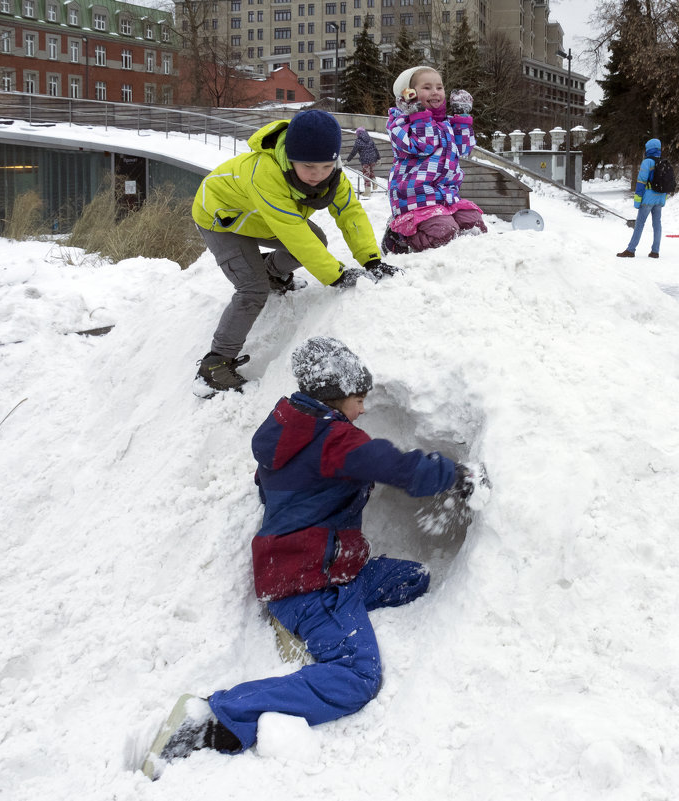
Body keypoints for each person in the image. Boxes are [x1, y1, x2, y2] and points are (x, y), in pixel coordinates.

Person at [143, 337, 489, 779]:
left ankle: (313, 624)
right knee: (356, 678)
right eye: (359, 399)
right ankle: (217, 717)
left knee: (414, 578)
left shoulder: (290, 431)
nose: (363, 409)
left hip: (322, 569)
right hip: (309, 583)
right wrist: (458, 477)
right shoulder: (333, 442)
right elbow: (394, 464)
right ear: (334, 396)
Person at [192, 109, 399, 395]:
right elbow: (294, 233)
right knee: (252, 290)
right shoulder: (266, 173)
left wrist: (371, 259)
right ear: (290, 159)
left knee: (317, 239)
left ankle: (271, 273)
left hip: (258, 217)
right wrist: (337, 276)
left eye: (326, 167)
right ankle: (215, 364)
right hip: (221, 218)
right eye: (308, 167)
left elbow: (350, 212)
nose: (318, 176)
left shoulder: (333, 175)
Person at [382, 65, 487, 254]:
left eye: (439, 87)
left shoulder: (445, 123)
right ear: (409, 93)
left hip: (446, 197)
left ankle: (462, 257)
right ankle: (399, 239)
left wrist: (461, 117)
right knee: (444, 233)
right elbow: (424, 144)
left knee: (475, 225)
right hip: (417, 199)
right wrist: (418, 115)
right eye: (427, 87)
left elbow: (464, 149)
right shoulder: (399, 123)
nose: (435, 92)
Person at [617, 138, 668, 259]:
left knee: (640, 224)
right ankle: (655, 251)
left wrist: (637, 200)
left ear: (648, 149)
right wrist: (663, 198)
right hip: (660, 197)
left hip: (648, 198)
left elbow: (641, 182)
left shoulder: (647, 162)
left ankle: (631, 250)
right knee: (657, 224)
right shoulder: (664, 161)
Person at [345, 127, 381, 197]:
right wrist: (379, 158)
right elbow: (375, 149)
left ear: (358, 134)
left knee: (366, 174)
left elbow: (353, 152)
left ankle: (367, 192)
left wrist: (347, 160)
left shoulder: (358, 141)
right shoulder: (370, 139)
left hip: (365, 160)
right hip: (373, 158)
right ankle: (375, 183)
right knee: (371, 171)